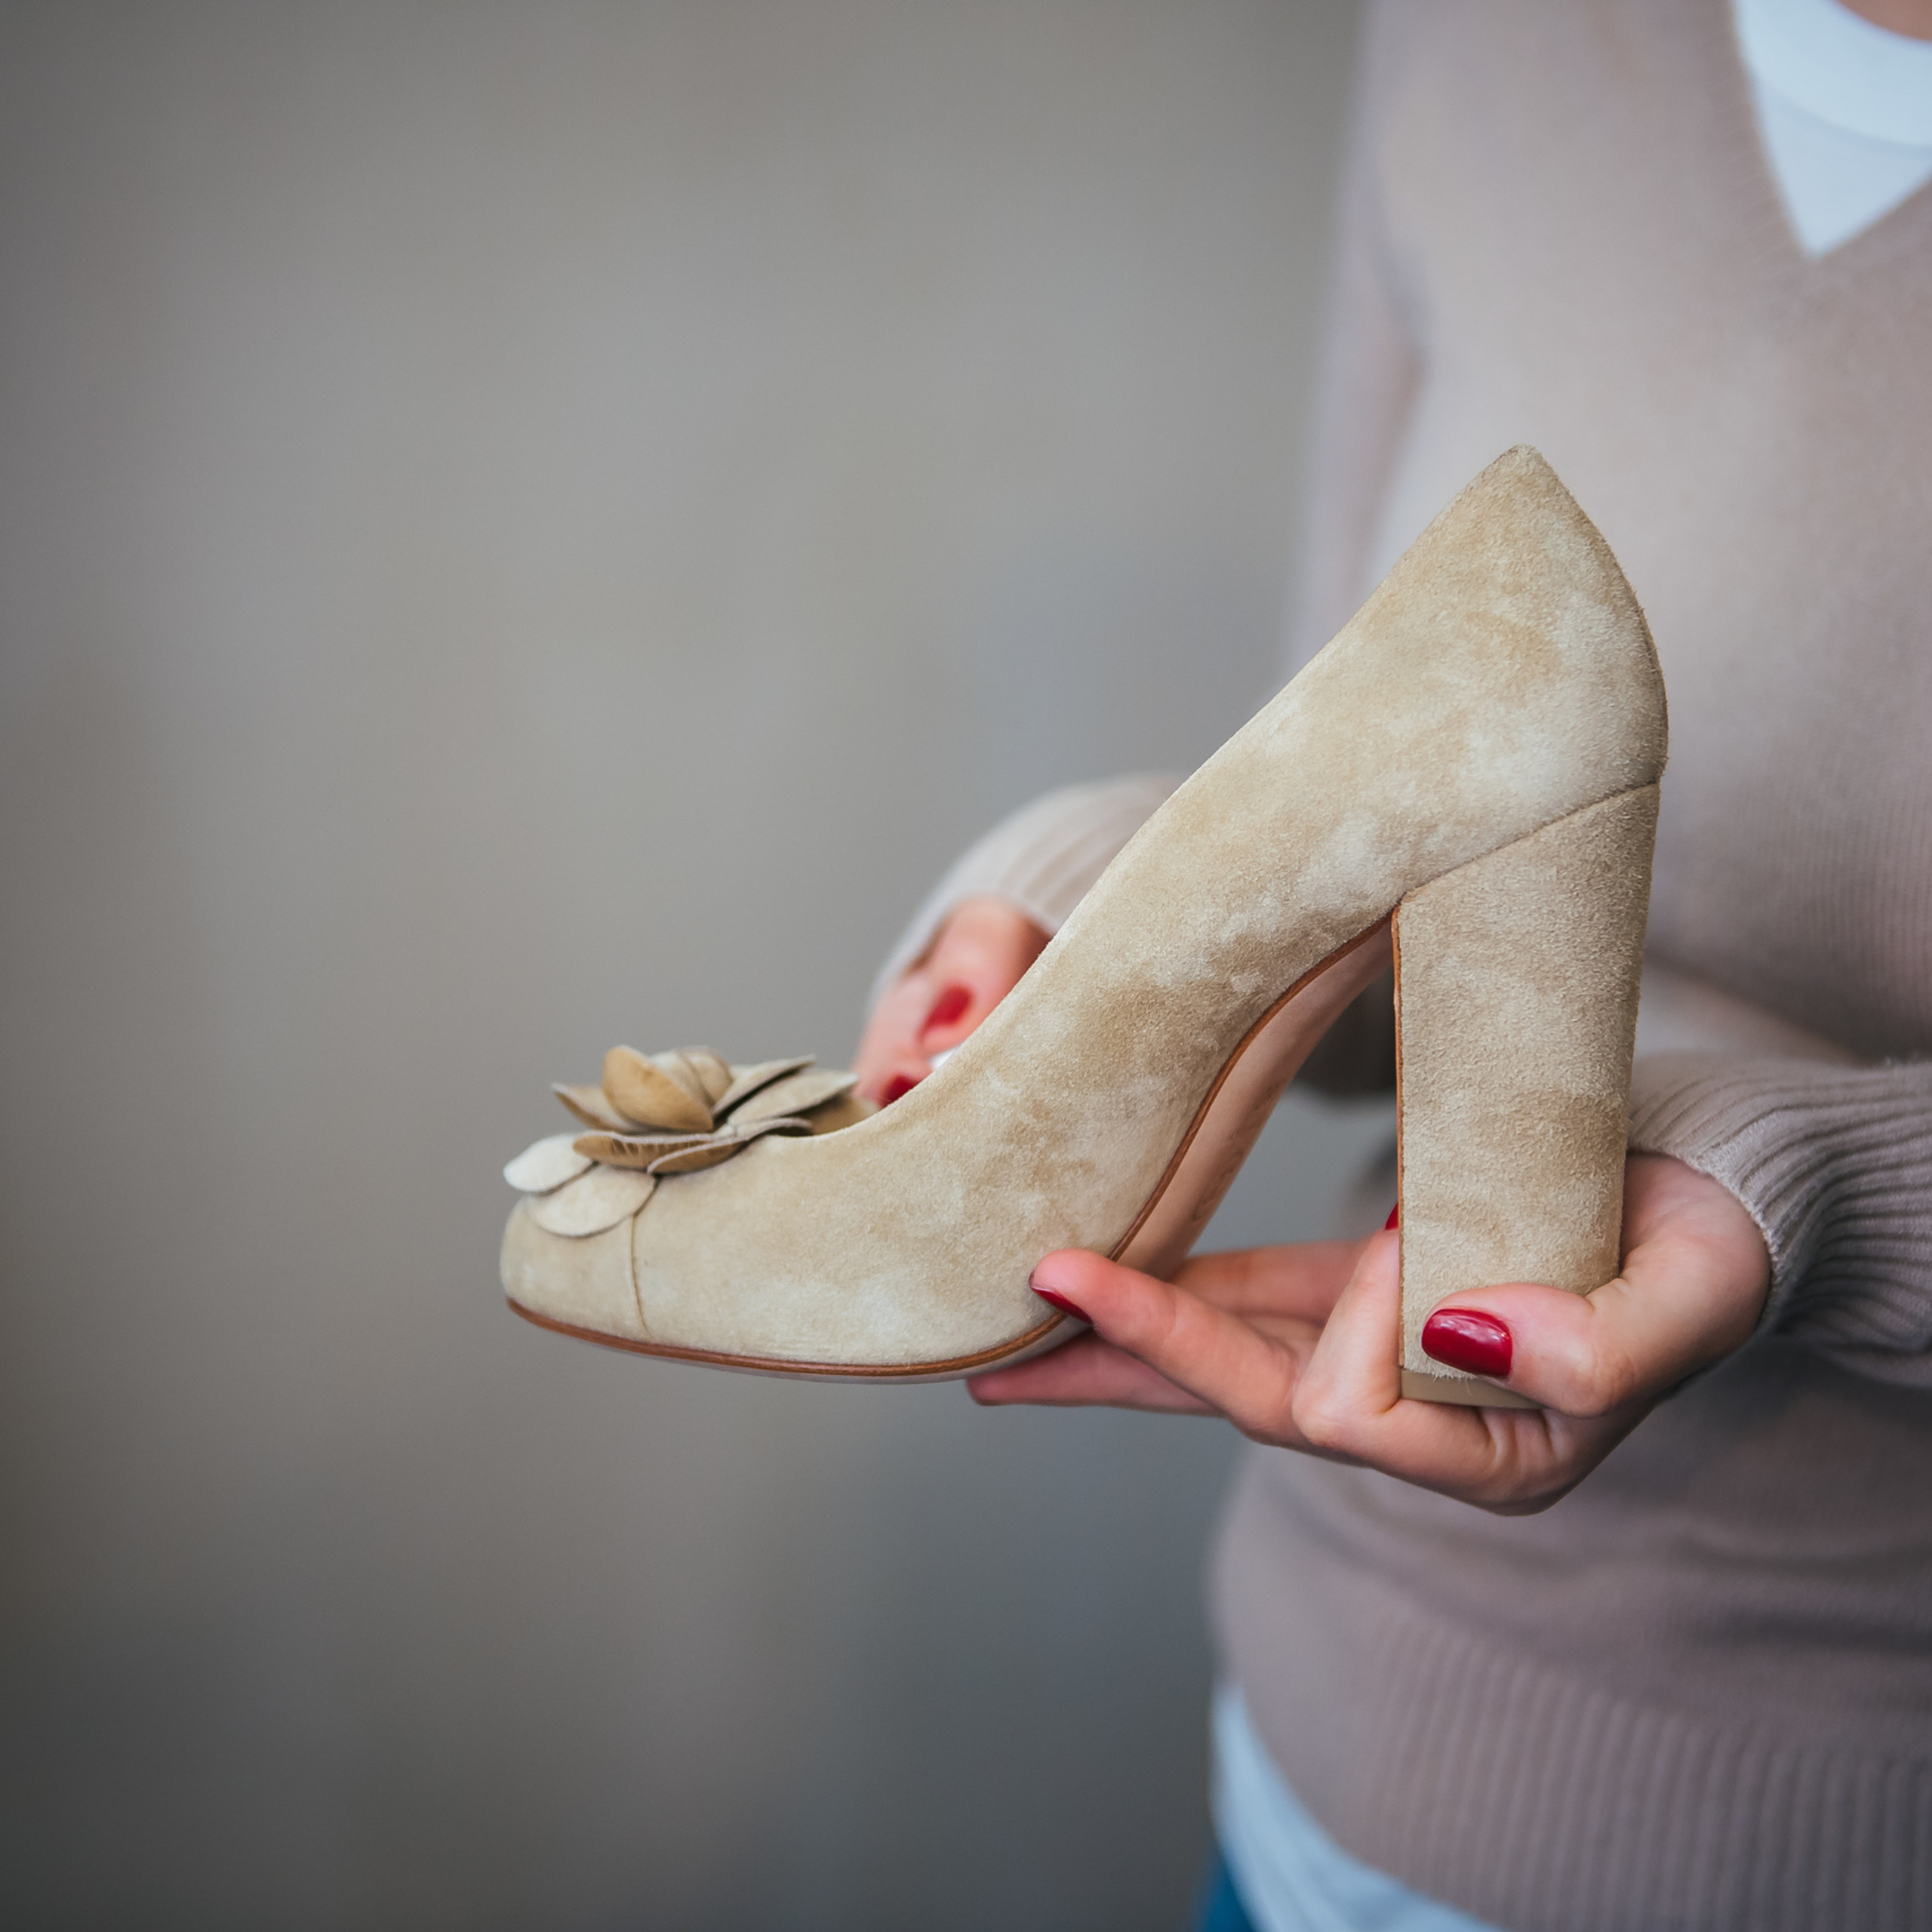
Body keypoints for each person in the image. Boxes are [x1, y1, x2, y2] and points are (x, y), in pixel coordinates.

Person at [854, 2, 1932, 1927]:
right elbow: (1380, 824)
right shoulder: (1489, 35)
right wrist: (1077, 907)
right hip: (1314, 1782)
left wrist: (1799, 1196)